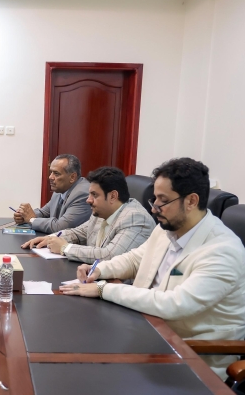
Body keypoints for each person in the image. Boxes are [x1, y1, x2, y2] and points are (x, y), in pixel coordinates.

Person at [60, 158, 245, 379]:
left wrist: (103, 289)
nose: (154, 207)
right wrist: (100, 270)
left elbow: (175, 304)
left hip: (191, 358)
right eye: (155, 198)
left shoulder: (222, 250)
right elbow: (135, 259)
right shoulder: (168, 228)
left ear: (191, 201)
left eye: (163, 200)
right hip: (146, 333)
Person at [21, 167, 155, 264]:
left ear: (113, 196)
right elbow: (79, 233)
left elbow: (110, 255)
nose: (88, 200)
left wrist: (64, 247)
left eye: (94, 195)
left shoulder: (135, 218)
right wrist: (50, 239)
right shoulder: (102, 212)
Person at [14, 154, 91, 233]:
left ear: (72, 177)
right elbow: (44, 212)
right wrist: (24, 215)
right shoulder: (60, 189)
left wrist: (31, 219)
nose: (50, 177)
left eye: (56, 173)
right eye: (51, 172)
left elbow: (60, 227)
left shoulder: (82, 194)